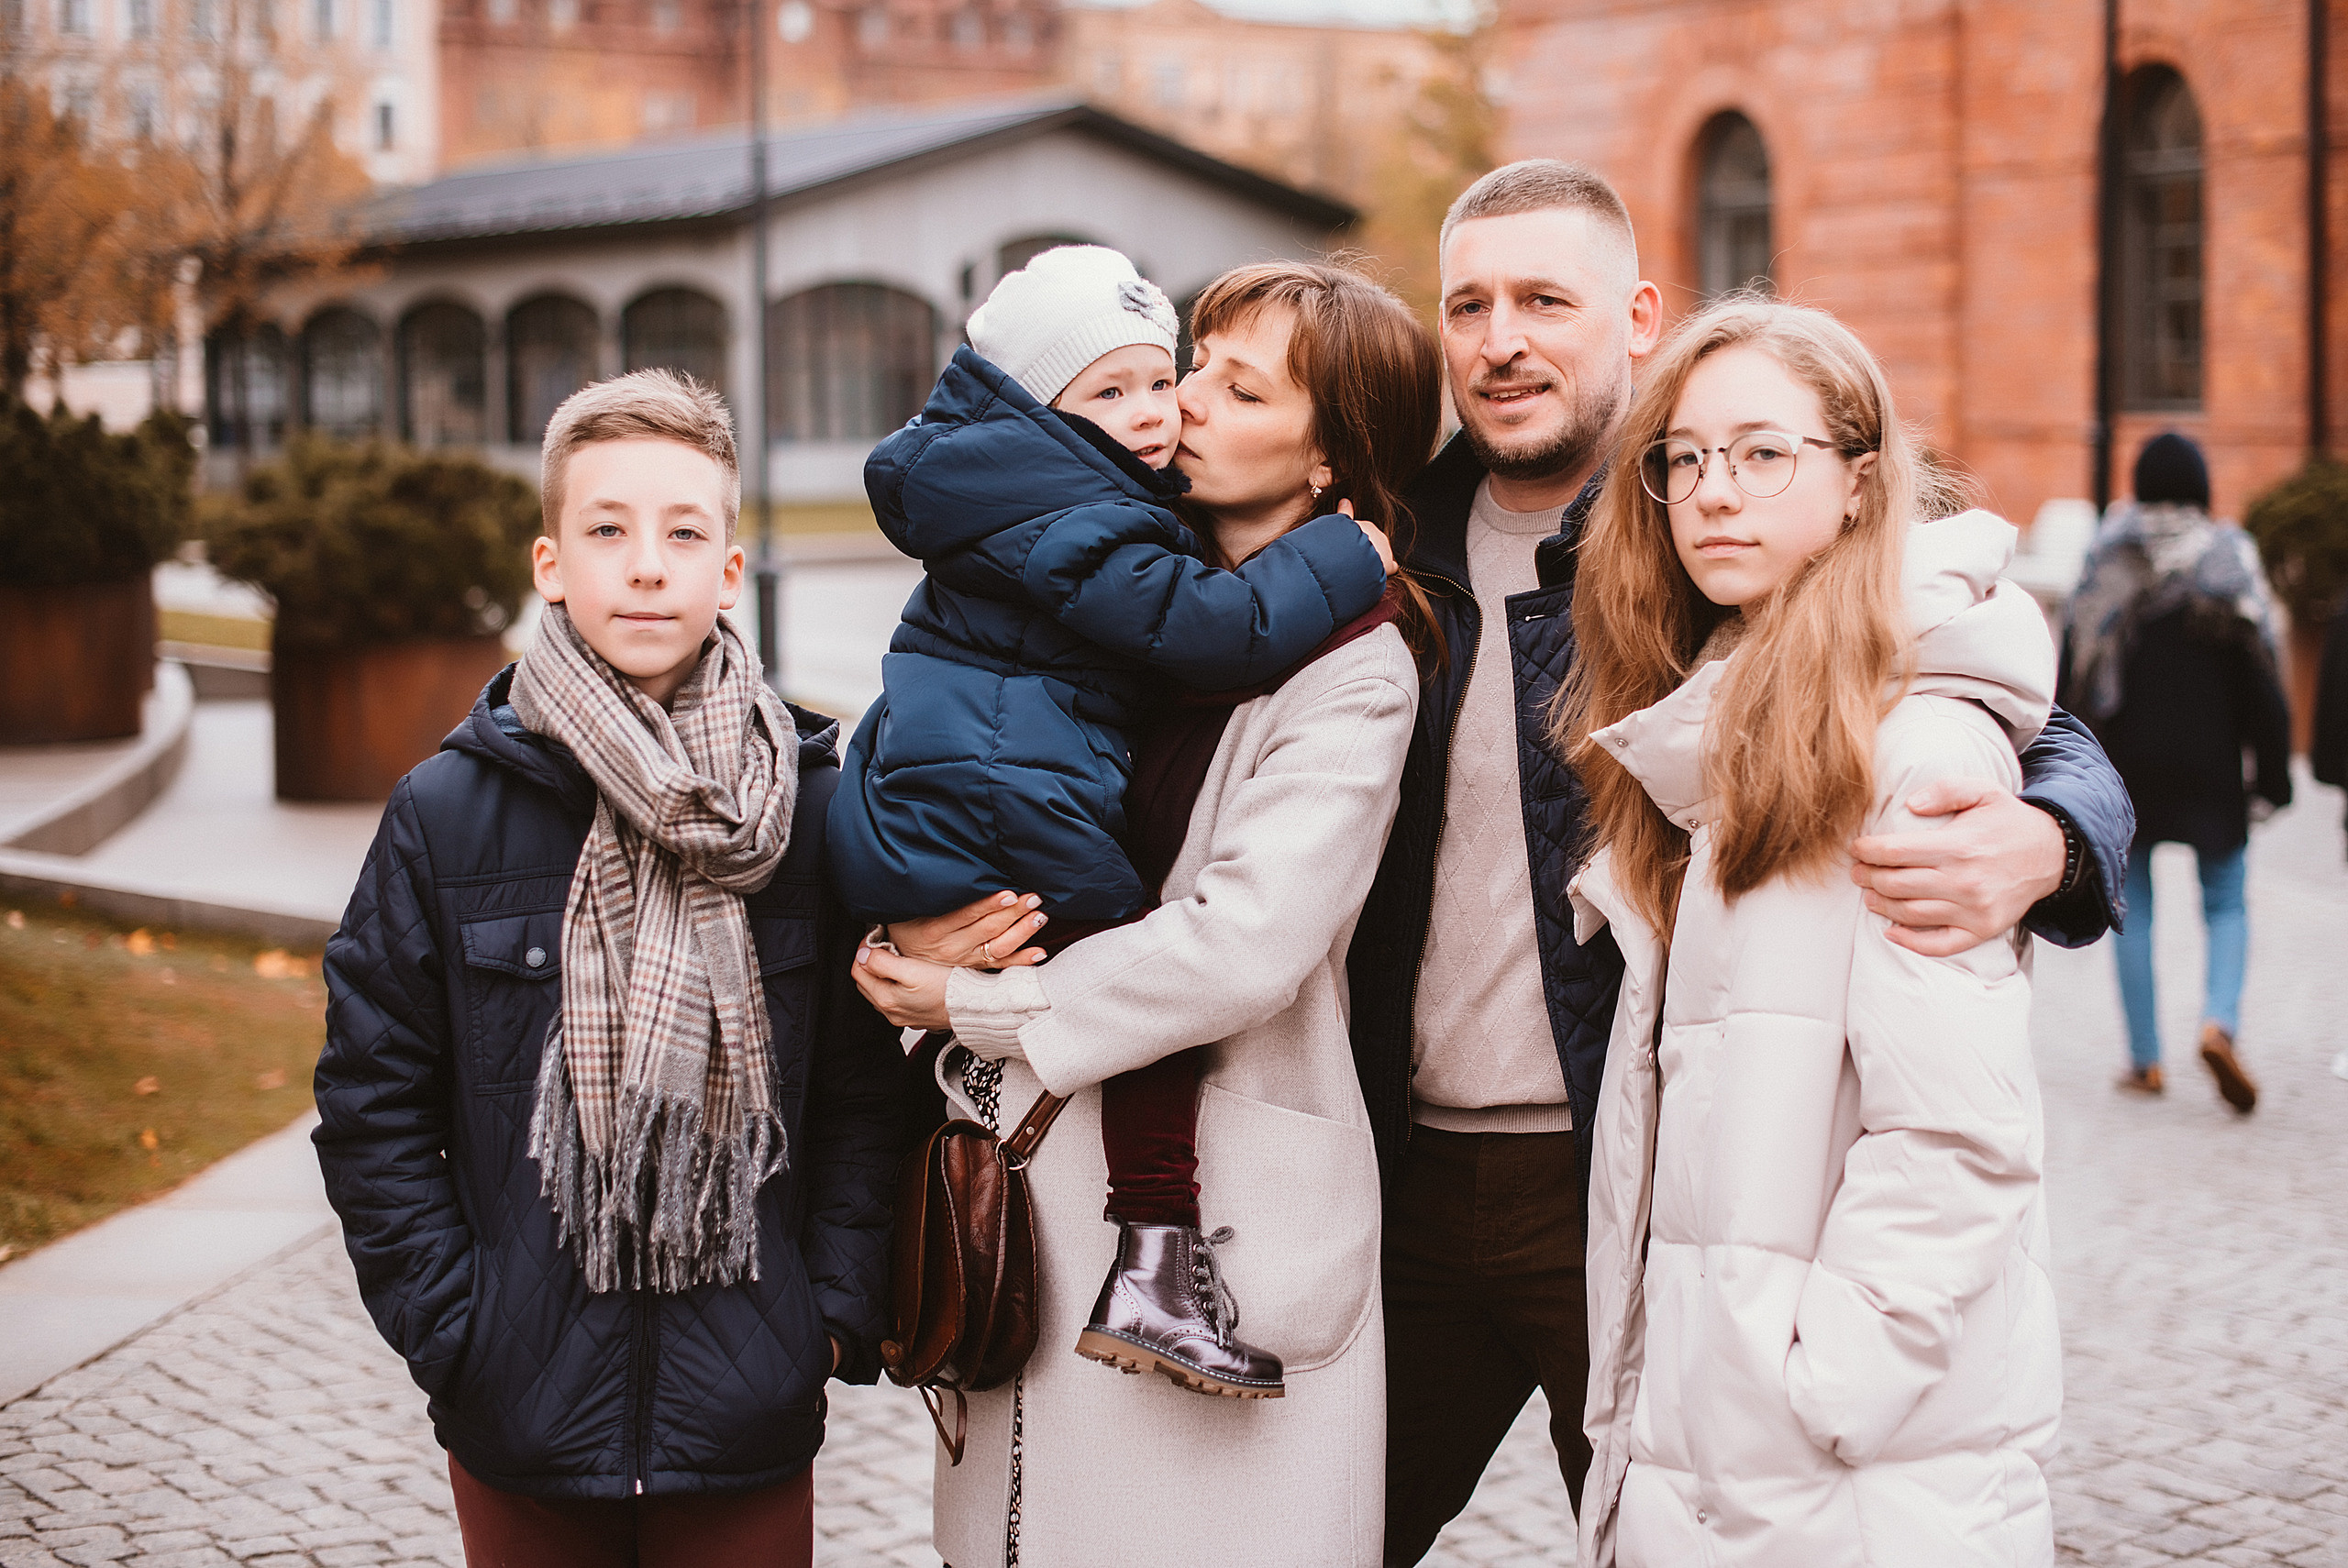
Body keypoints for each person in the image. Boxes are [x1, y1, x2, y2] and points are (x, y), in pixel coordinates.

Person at [1347, 159, 2134, 1564]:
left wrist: (2058, 832)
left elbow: (1986, 702)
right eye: (1468, 304)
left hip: (1625, 1181)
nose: (1500, 339)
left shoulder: (1698, 540)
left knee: (1698, 1524)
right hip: (1401, 1181)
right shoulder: (1378, 551)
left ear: (1636, 315)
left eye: (1544, 299)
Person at [850, 259, 1440, 1568]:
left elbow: (1247, 941)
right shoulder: (1101, 588)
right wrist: (905, 934)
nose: (1186, 401)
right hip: (1028, 1204)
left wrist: (976, 999)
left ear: (1334, 460)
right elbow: (922, 761)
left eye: (1242, 384)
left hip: (1227, 1220)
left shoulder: (1355, 666)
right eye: (1191, 366)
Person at [314, 370, 903, 1568]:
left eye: (685, 532)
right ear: (550, 563)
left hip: (746, 1412)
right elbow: (370, 1100)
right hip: (519, 1416)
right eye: (608, 529)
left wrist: (825, 1314)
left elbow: (864, 1095)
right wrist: (456, 1328)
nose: (647, 565)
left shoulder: (812, 808)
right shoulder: (445, 813)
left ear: (728, 572)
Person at [1565, 295, 2063, 1567]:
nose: (1714, 491)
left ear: (1855, 482)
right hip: (1727, 1448)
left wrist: (1811, 1388)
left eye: (1762, 451)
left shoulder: (1912, 748)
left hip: (1841, 1473)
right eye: (1684, 458)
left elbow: (1956, 1135)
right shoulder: (1716, 720)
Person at [2063, 432, 2290, 1110]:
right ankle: (2219, 1022)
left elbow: (2073, 670)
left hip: (2128, 772)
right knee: (2225, 902)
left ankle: (2145, 1060)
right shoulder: (2231, 563)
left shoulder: (2108, 560)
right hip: (2214, 770)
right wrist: (2272, 776)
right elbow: (2264, 683)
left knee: (2131, 909)